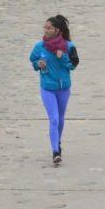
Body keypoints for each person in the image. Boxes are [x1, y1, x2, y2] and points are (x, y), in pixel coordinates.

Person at [29, 15, 79, 164]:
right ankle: (55, 151)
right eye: (45, 27)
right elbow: (33, 61)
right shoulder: (39, 47)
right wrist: (39, 64)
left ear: (57, 30)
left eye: (49, 28)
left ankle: (57, 142)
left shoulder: (69, 46)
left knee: (61, 119)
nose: (46, 30)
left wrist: (62, 57)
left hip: (64, 88)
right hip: (47, 88)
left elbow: (73, 65)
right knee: (54, 118)